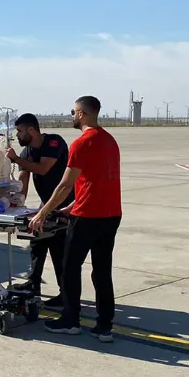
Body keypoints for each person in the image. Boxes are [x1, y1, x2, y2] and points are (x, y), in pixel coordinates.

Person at [29, 96, 122, 343]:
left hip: (88, 218)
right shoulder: (110, 141)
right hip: (111, 215)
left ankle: (71, 321)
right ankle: (105, 326)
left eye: (73, 112)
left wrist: (42, 212)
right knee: (102, 271)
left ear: (81, 114)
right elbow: (95, 181)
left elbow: (64, 185)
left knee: (69, 268)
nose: (72, 116)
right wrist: (70, 207)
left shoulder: (81, 143)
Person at [5, 113, 71, 305]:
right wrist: (17, 203)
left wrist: (16, 159)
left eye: (20, 131)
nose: (17, 135)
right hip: (46, 204)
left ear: (31, 130)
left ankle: (66, 294)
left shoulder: (54, 142)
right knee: (37, 242)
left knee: (59, 248)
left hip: (64, 203)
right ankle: (33, 284)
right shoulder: (26, 152)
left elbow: (43, 168)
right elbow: (23, 181)